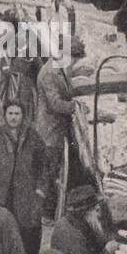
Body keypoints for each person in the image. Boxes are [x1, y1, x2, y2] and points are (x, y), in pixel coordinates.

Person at [0, 99, 48, 254]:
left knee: (27, 230)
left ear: (23, 116)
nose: (13, 117)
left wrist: (40, 190)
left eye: (17, 114)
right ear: (5, 115)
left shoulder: (33, 138)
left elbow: (44, 167)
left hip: (25, 195)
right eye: (10, 113)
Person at [35, 50, 78, 221]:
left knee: (52, 169)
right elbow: (55, 104)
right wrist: (74, 106)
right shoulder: (49, 73)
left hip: (55, 128)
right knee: (50, 171)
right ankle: (47, 213)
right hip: (50, 131)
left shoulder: (58, 68)